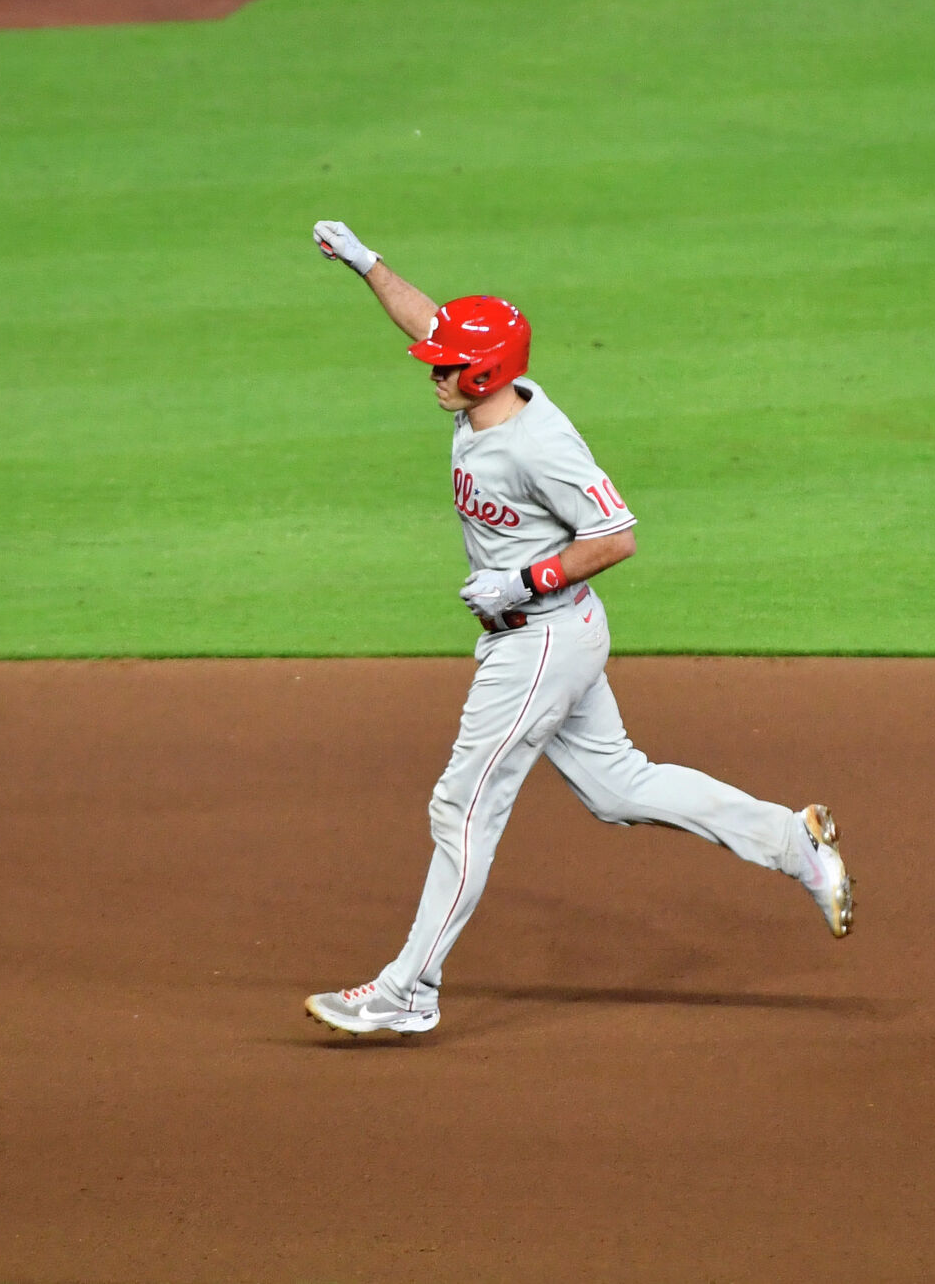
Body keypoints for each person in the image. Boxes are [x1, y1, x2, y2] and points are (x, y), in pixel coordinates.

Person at [302, 220, 854, 1037]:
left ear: (483, 374)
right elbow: (429, 322)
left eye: (447, 367)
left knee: (462, 808)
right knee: (618, 787)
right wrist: (365, 263)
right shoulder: (482, 393)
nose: (433, 370)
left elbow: (617, 533)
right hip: (552, 635)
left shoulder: (539, 445)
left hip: (540, 638)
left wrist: (522, 577)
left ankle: (406, 990)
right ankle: (790, 838)